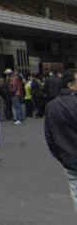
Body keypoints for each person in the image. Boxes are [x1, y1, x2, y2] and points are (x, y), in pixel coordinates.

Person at [44, 69, 77, 214]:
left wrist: (62, 157)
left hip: (70, 160)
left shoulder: (52, 106)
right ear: (71, 85)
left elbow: (50, 138)